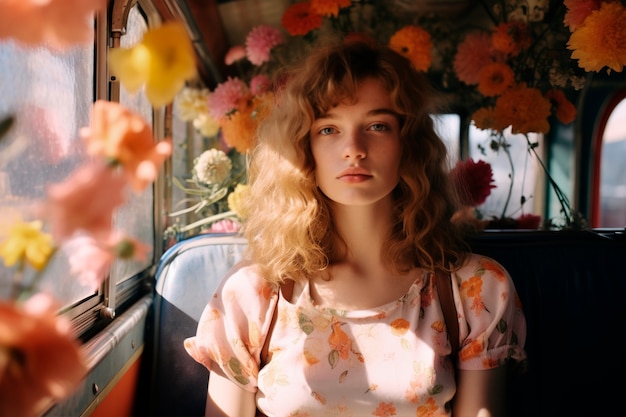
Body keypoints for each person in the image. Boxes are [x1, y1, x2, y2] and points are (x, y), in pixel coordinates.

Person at [184, 40, 527, 417]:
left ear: (408, 144)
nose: (354, 148)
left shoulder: (476, 289)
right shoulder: (253, 294)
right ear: (305, 147)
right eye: (329, 129)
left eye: (377, 126)